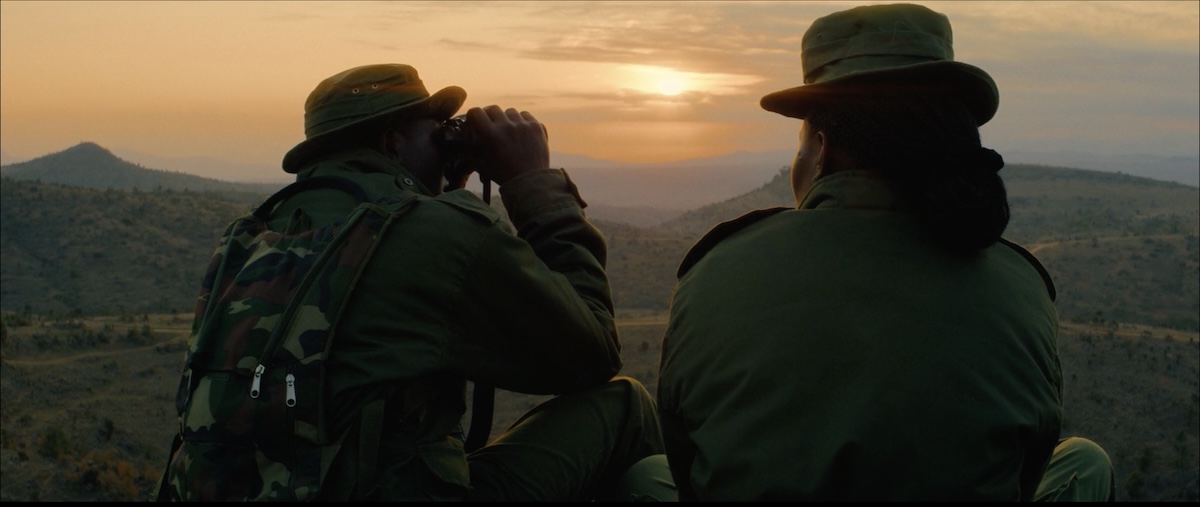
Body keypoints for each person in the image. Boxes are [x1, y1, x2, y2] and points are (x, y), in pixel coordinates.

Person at [656, 3, 1115, 502]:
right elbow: (1024, 473)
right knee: (1083, 461)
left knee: (646, 477)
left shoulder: (715, 272)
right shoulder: (1021, 289)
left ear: (823, 148)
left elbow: (687, 465)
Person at [157, 63, 673, 501]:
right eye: (438, 131)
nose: (448, 141)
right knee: (624, 406)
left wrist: (440, 182)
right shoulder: (429, 231)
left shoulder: (249, 236)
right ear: (392, 141)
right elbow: (593, 348)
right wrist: (531, 183)